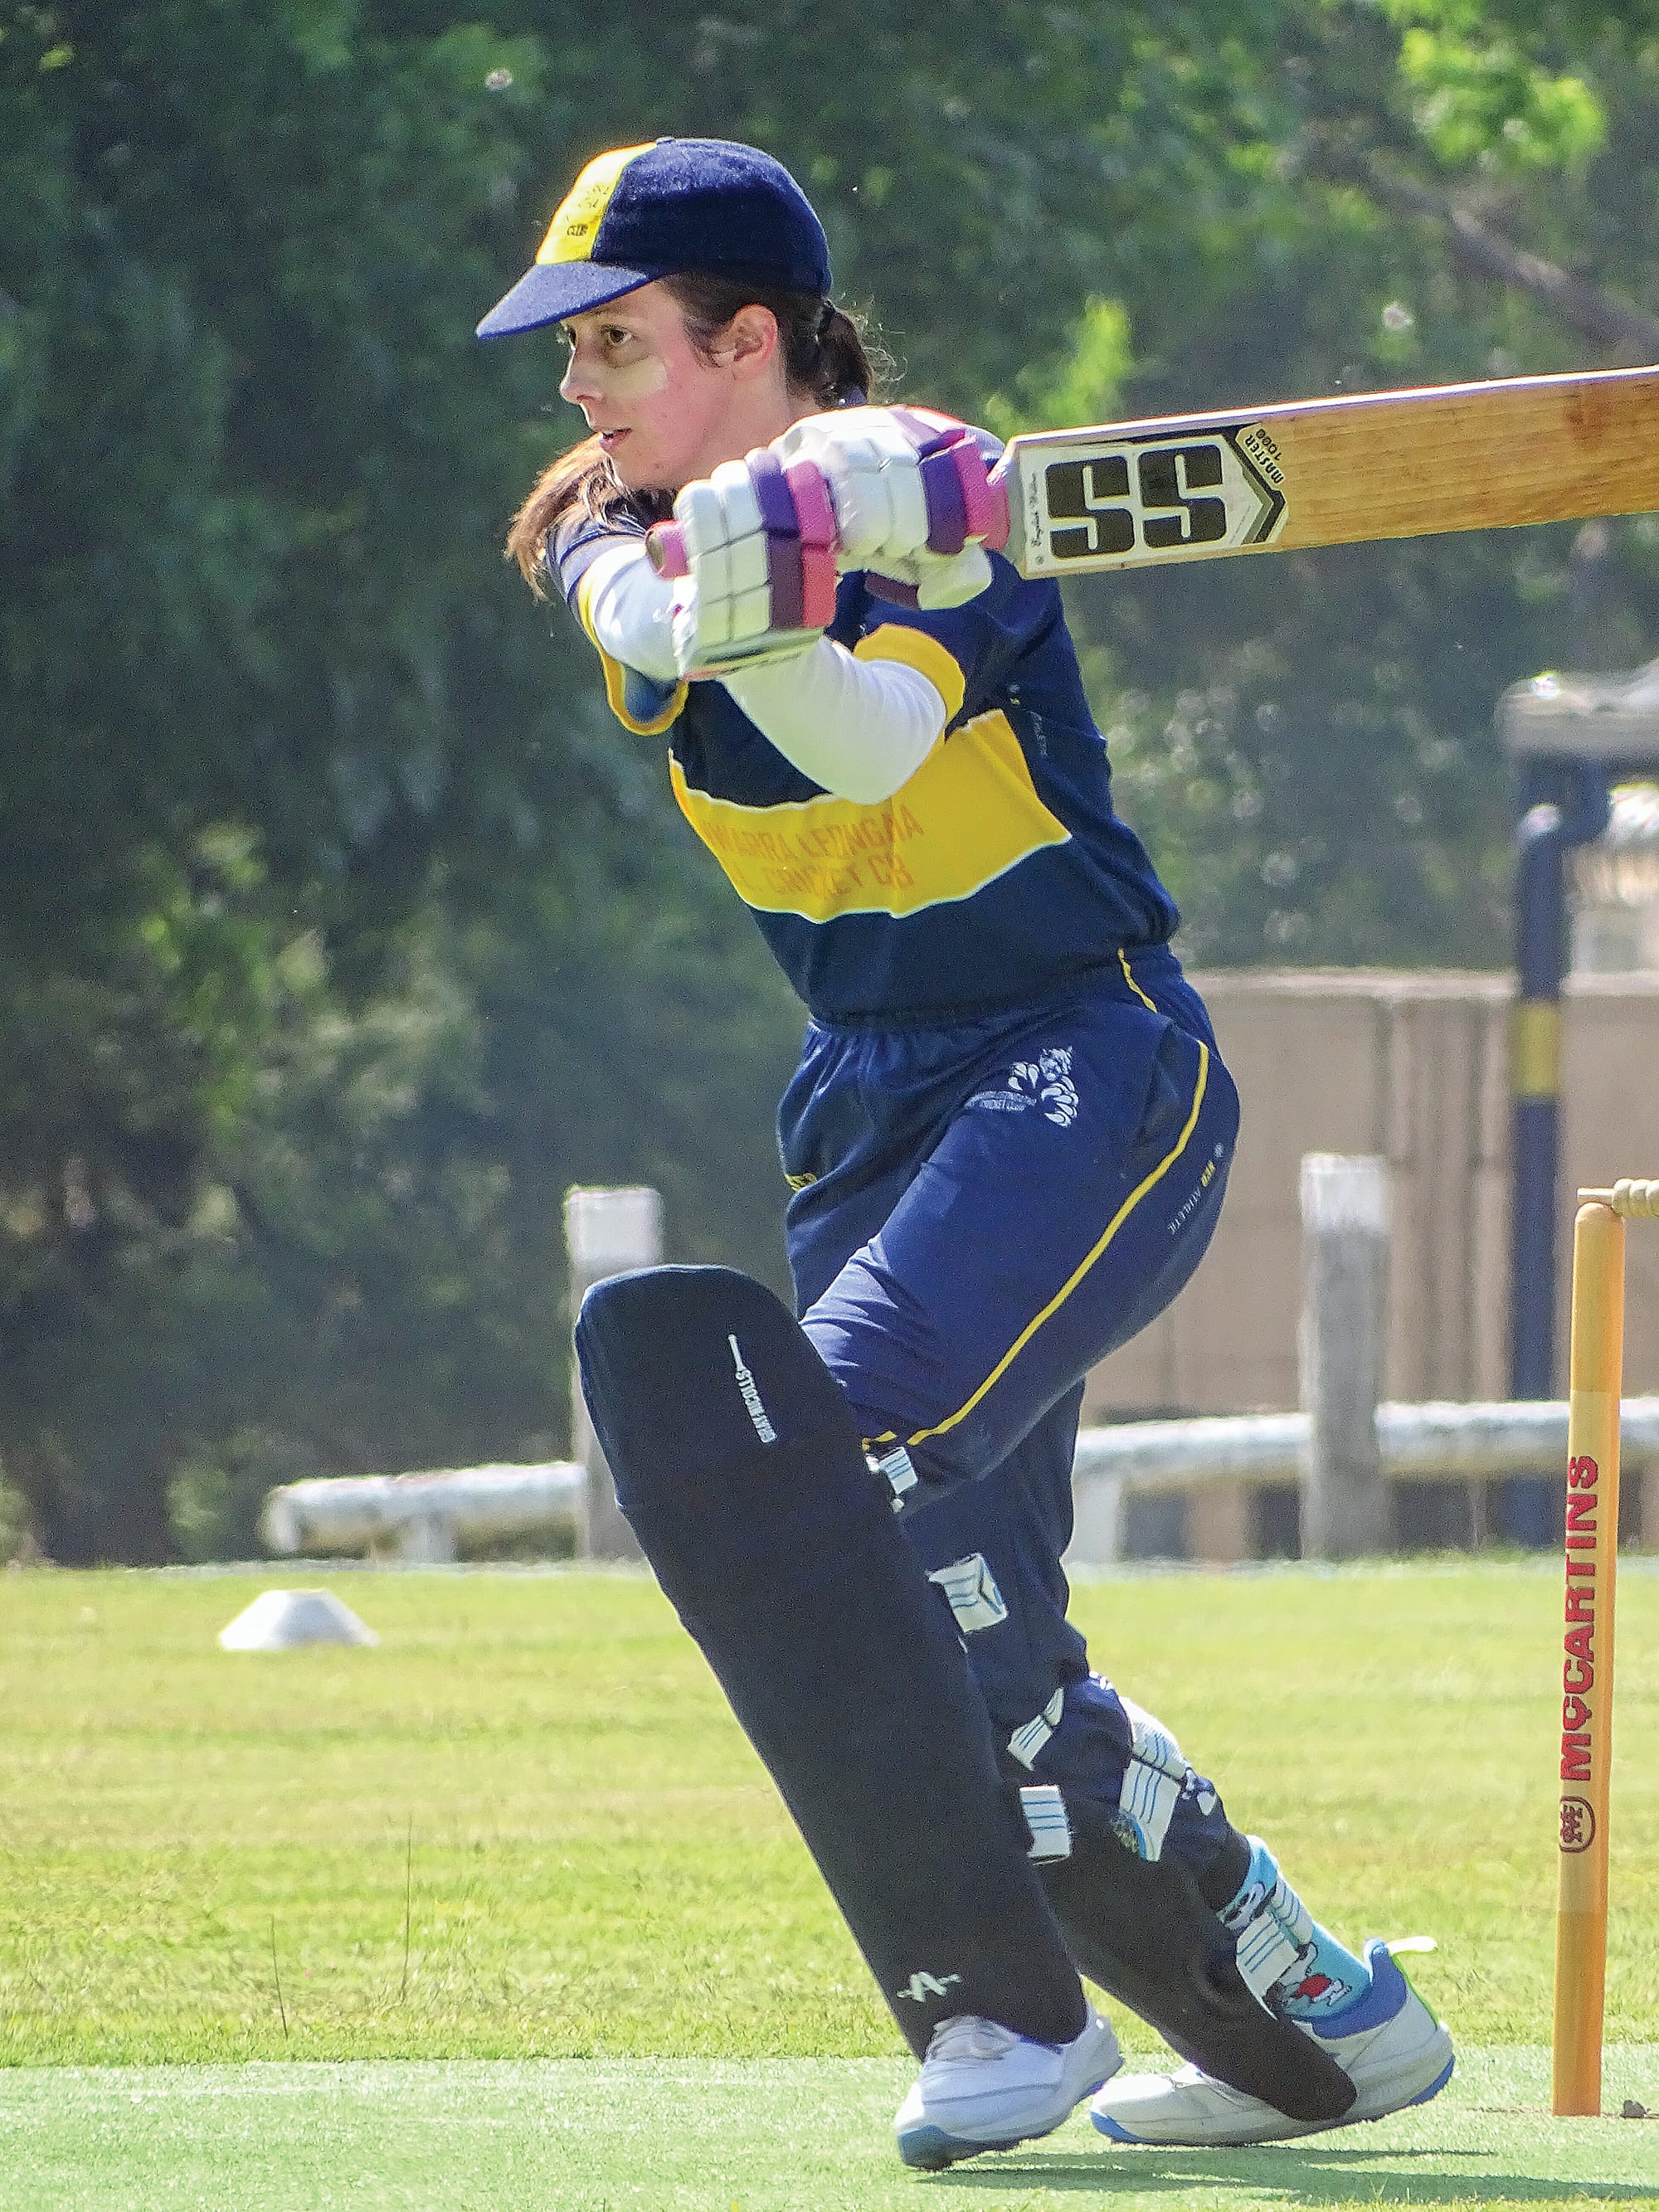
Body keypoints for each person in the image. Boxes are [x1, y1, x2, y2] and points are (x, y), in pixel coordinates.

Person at [479, 135, 1454, 2166]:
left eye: (618, 342)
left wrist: (846, 537)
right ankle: (1326, 2018)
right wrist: (748, 551)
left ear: (749, 337)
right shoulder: (606, 519)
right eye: (571, 350)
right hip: (865, 1090)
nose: (579, 386)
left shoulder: (950, 525)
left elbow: (866, 743)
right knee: (957, 1651)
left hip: (1084, 1055)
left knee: (848, 1442)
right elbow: (653, 623)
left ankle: (1006, 2022)